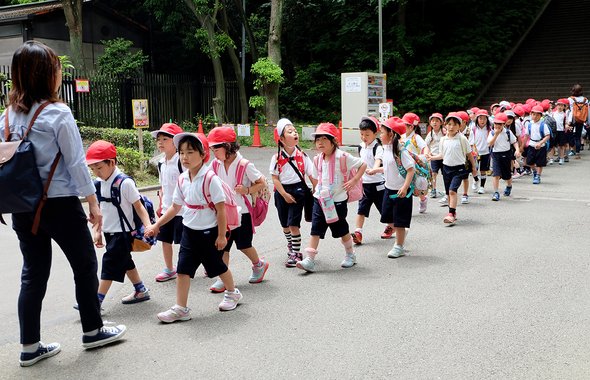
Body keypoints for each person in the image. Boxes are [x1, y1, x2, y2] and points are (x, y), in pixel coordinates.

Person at [0, 41, 125, 367]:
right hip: (59, 205)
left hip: (23, 208)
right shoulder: (58, 112)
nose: (59, 72)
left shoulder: (7, 115)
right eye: (56, 67)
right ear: (46, 74)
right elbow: (76, 164)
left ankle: (29, 346)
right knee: (84, 266)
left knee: (33, 274)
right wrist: (93, 202)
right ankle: (93, 330)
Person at [146, 132, 243, 323]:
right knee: (183, 270)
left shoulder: (210, 179)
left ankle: (233, 293)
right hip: (189, 231)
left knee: (218, 267)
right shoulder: (183, 179)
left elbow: (221, 210)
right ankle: (181, 308)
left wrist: (222, 235)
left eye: (190, 152)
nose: (184, 157)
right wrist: (157, 225)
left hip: (209, 232)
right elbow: (175, 207)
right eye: (182, 152)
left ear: (203, 154)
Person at [86, 140, 152, 306]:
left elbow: (139, 207)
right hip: (110, 232)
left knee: (109, 265)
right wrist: (98, 231)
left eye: (99, 168)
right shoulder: (99, 184)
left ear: (112, 162)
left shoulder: (125, 183)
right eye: (93, 169)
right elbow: (99, 211)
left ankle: (95, 302)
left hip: (123, 233)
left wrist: (148, 226)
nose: (96, 172)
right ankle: (140, 289)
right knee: (125, 261)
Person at [297, 123, 366, 273]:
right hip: (320, 200)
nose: (320, 142)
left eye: (323, 139)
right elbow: (316, 178)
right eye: (317, 139)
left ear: (333, 141)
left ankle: (350, 254)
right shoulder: (317, 159)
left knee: (341, 230)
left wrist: (354, 181)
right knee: (315, 229)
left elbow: (363, 164)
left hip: (338, 202)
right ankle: (310, 259)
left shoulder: (343, 157)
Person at [206, 126, 269, 292]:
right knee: (223, 246)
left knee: (244, 245)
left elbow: (261, 182)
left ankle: (259, 265)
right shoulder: (215, 164)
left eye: (216, 147)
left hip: (243, 213)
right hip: (223, 213)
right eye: (212, 148)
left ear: (228, 146)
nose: (213, 151)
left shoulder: (244, 164)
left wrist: (246, 190)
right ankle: (223, 277)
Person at [269, 118, 316, 267]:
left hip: (298, 190)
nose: (295, 133)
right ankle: (291, 245)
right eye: (290, 132)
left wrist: (317, 190)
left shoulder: (302, 155)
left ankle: (296, 253)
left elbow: (311, 175)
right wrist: (283, 194)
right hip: (281, 192)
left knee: (293, 224)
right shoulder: (276, 157)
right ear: (281, 139)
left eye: (295, 131)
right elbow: (274, 178)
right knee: (285, 225)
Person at [427, 113, 477, 225]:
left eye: (454, 125)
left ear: (459, 126)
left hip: (459, 169)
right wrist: (432, 157)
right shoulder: (443, 140)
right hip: (446, 168)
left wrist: (474, 167)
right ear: (445, 126)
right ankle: (452, 212)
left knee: (452, 191)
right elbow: (442, 155)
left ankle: (451, 213)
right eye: (449, 124)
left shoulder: (462, 139)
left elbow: (469, 154)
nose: (451, 127)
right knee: (449, 193)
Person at [151, 123, 185, 282]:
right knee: (165, 240)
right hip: (167, 209)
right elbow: (163, 186)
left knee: (189, 241)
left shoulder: (182, 161)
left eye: (165, 139)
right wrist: (160, 205)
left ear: (176, 142)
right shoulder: (160, 162)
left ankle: (204, 263)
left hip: (184, 210)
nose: (160, 142)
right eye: (158, 139)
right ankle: (169, 269)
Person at [378, 117, 415, 258]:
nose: (380, 135)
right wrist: (375, 170)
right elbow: (388, 168)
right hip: (389, 189)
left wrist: (405, 187)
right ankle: (401, 233)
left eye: (382, 132)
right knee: (387, 218)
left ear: (391, 134)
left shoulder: (400, 151)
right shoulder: (385, 149)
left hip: (401, 191)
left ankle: (399, 246)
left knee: (399, 220)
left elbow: (411, 170)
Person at [352, 116, 391, 244]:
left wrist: (374, 169)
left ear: (375, 133)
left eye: (367, 134)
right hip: (365, 185)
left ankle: (392, 226)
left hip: (378, 184)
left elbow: (378, 160)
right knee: (361, 209)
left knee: (384, 210)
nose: (364, 137)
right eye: (361, 134)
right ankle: (358, 232)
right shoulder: (360, 146)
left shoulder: (378, 147)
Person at [486, 113, 520, 200]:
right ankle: (496, 192)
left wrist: (517, 150)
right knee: (496, 174)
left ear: (504, 124)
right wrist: (496, 135)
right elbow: (490, 144)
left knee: (507, 175)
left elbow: (514, 142)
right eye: (496, 123)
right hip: (496, 154)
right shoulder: (492, 133)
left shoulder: (508, 132)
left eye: (500, 124)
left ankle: (509, 186)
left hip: (506, 154)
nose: (497, 125)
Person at [400, 113, 429, 213]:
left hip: (414, 166)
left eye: (404, 124)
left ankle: (423, 199)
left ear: (411, 126)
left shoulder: (416, 137)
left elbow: (425, 147)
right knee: (404, 185)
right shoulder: (401, 136)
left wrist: (424, 156)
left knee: (417, 187)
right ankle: (404, 207)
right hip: (403, 165)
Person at [524, 106, 551, 184]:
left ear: (541, 116)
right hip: (531, 144)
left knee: (539, 162)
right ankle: (534, 171)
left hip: (541, 146)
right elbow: (526, 135)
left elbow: (547, 136)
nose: (535, 116)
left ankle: (538, 176)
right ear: (531, 114)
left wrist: (540, 143)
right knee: (530, 161)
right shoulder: (529, 124)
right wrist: (522, 146)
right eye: (533, 114)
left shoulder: (543, 125)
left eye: (537, 115)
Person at [468, 109, 492, 194]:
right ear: (477, 119)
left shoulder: (489, 129)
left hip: (486, 152)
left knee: (483, 170)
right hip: (475, 152)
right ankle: (476, 180)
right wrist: (473, 149)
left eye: (484, 119)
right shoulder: (473, 128)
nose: (482, 121)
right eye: (480, 118)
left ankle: (482, 187)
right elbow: (471, 140)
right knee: (473, 169)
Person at [424, 113, 445, 199]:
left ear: (441, 122)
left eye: (437, 121)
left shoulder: (444, 132)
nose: (435, 123)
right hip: (434, 157)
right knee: (433, 174)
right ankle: (433, 189)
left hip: (444, 157)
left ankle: (447, 189)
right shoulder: (430, 134)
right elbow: (426, 145)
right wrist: (427, 154)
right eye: (433, 121)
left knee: (446, 174)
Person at [567, 84, 590, 159]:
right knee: (578, 136)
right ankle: (577, 152)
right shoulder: (586, 100)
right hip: (581, 119)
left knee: (569, 134)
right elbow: (588, 111)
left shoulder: (570, 99)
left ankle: (572, 149)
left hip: (572, 119)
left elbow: (568, 110)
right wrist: (588, 121)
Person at [554, 99, 569, 165]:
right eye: (558, 105)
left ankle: (561, 158)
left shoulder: (564, 114)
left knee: (562, 145)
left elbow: (566, 122)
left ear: (564, 107)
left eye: (561, 105)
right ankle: (558, 156)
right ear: (556, 106)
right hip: (555, 131)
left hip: (562, 131)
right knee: (556, 145)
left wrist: (566, 125)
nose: (560, 107)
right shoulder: (553, 113)